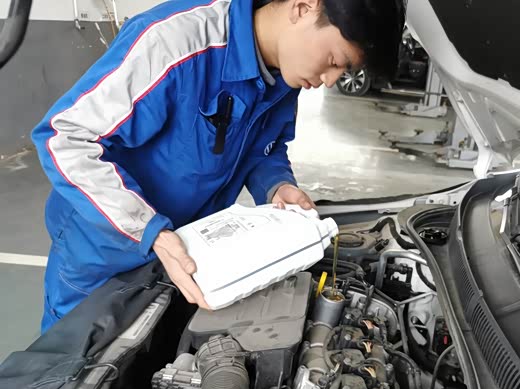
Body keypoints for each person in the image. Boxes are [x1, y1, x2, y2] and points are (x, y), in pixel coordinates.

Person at [32, 0, 405, 332]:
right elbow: (66, 136)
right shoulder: (174, 43)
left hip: (192, 253)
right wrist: (149, 231)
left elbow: (263, 149)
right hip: (104, 253)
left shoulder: (283, 74)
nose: (330, 80)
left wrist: (277, 185)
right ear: (303, 7)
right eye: (335, 61)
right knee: (71, 370)